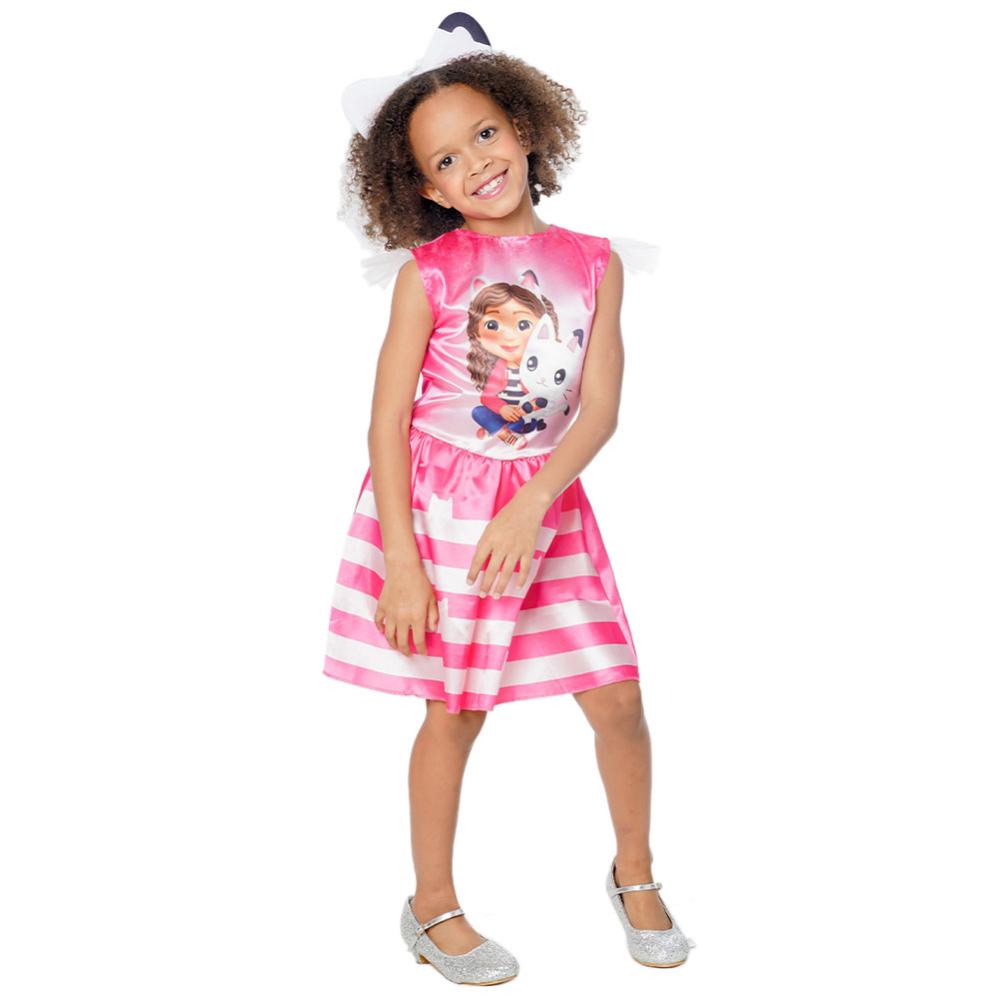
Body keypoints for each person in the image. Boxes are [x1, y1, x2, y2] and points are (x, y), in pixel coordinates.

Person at [324, 12, 695, 984]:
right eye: (445, 160)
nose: (475, 164)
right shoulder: (427, 275)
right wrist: (402, 564)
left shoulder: (597, 262)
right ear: (426, 190)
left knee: (618, 696)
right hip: (443, 511)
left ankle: (635, 873)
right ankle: (430, 906)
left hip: (547, 505)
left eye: (484, 133)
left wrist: (534, 502)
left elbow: (600, 407)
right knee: (455, 709)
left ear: (525, 126)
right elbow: (385, 424)